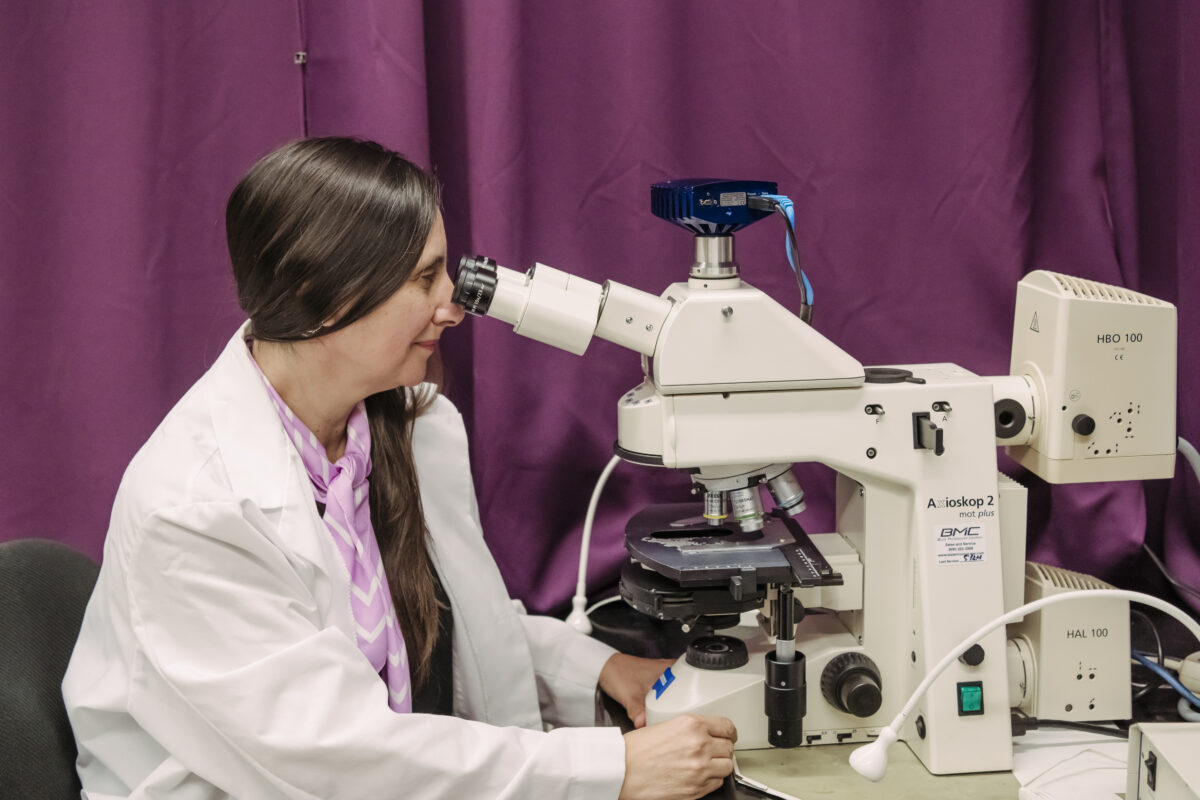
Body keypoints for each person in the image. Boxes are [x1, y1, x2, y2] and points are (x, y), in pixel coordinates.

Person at [62, 137, 737, 800]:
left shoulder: (401, 426)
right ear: (320, 293)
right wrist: (607, 771)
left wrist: (600, 668)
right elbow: (337, 757)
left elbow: (457, 624)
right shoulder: (196, 510)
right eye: (424, 279)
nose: (453, 305)